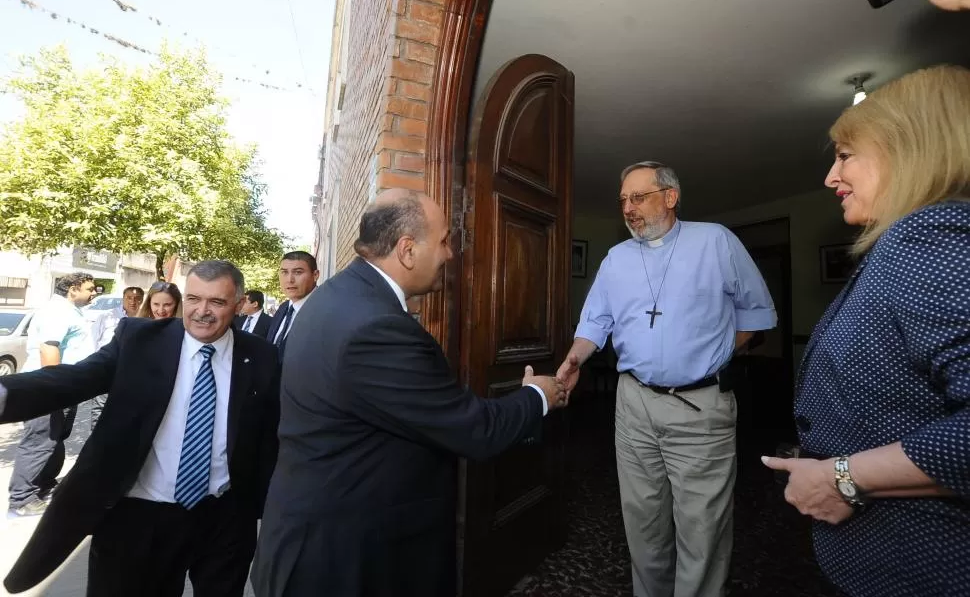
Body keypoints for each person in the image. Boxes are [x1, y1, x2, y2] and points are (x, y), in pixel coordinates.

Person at [250, 189, 566, 597]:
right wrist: (539, 395)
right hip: (345, 560)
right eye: (444, 241)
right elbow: (474, 430)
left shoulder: (337, 296)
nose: (450, 254)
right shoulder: (375, 327)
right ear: (407, 250)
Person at [762, 65, 970, 596]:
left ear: (908, 147)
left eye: (845, 155)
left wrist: (843, 476)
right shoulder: (908, 244)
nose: (831, 177)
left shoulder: (928, 237)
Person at [556, 161, 776, 597]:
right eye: (623, 200)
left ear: (671, 197)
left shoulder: (715, 241)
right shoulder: (616, 258)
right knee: (643, 521)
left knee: (702, 529)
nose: (629, 208)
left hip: (700, 409)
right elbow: (596, 320)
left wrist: (710, 354)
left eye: (639, 197)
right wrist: (576, 358)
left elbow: (756, 313)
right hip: (633, 405)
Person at [0, 260, 280, 596]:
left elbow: (275, 431)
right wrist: (5, 394)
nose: (202, 311)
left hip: (224, 518)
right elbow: (76, 379)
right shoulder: (139, 340)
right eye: (193, 299)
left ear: (237, 305)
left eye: (217, 302)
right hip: (139, 518)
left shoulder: (262, 356)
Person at [7, 272, 97, 517]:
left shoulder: (70, 310)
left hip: (64, 388)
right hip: (49, 390)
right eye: (90, 289)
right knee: (39, 440)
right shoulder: (57, 312)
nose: (94, 293)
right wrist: (55, 389)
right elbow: (49, 348)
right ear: (73, 289)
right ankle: (22, 498)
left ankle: (43, 483)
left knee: (54, 438)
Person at [90, 286, 145, 429]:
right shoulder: (107, 317)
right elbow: (93, 341)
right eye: (129, 298)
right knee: (100, 410)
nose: (133, 301)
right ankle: (96, 445)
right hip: (106, 370)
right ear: (123, 298)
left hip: (131, 375)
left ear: (142, 300)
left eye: (137, 298)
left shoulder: (146, 320)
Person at [264, 251, 319, 355]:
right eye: (284, 272)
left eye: (298, 272)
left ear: (315, 275)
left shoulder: (328, 310)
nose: (290, 280)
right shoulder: (283, 308)